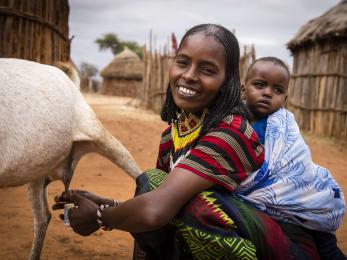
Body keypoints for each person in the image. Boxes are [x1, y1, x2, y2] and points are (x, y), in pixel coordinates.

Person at [53, 24, 320, 259]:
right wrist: (106, 204)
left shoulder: (232, 134)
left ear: (227, 82)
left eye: (207, 69)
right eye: (183, 62)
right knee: (151, 181)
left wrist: (99, 216)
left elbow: (157, 210)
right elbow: (158, 196)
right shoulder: (174, 133)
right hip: (224, 229)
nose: (189, 75)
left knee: (197, 207)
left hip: (279, 248)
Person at [238, 56, 346, 259]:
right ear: (244, 89)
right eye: (260, 85)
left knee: (326, 245)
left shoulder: (282, 124)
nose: (268, 93)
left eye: (277, 90)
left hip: (301, 193)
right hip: (272, 200)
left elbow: (298, 160)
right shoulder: (236, 122)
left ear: (285, 99)